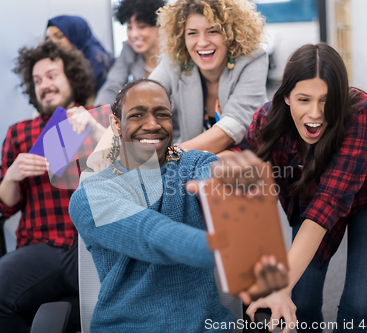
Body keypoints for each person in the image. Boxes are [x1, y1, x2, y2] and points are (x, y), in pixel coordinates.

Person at [69, 78, 290, 332]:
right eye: (138, 114)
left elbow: (219, 180)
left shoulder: (194, 164)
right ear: (116, 124)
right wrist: (230, 249)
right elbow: (152, 235)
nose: (152, 125)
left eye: (161, 114)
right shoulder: (91, 194)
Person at [231, 43, 367, 332]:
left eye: (326, 100)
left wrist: (279, 288)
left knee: (356, 307)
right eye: (303, 99)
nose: (315, 114)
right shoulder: (269, 119)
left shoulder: (361, 115)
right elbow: (238, 157)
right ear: (286, 96)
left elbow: (330, 202)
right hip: (313, 200)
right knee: (303, 299)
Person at [0, 40, 110, 333]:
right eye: (37, 80)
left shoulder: (101, 119)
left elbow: (135, 174)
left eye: (52, 75)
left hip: (98, 242)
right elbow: (4, 206)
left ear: (71, 77)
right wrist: (12, 176)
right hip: (43, 245)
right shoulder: (19, 132)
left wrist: (98, 132)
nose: (44, 84)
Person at [149, 0, 268, 153]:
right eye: (192, 33)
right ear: (181, 37)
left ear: (230, 34)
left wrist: (172, 154)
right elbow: (143, 95)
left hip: (243, 161)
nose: (203, 42)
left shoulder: (253, 59)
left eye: (213, 31)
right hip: (188, 165)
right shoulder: (174, 62)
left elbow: (233, 126)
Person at [94, 0, 166, 106]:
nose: (134, 34)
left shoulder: (173, 53)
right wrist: (98, 111)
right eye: (129, 27)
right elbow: (113, 85)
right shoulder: (128, 49)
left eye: (142, 26)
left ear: (159, 25)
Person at [46, 15, 115, 93]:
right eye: (47, 39)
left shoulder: (99, 64)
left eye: (59, 37)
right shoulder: (53, 64)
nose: (51, 43)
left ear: (76, 37)